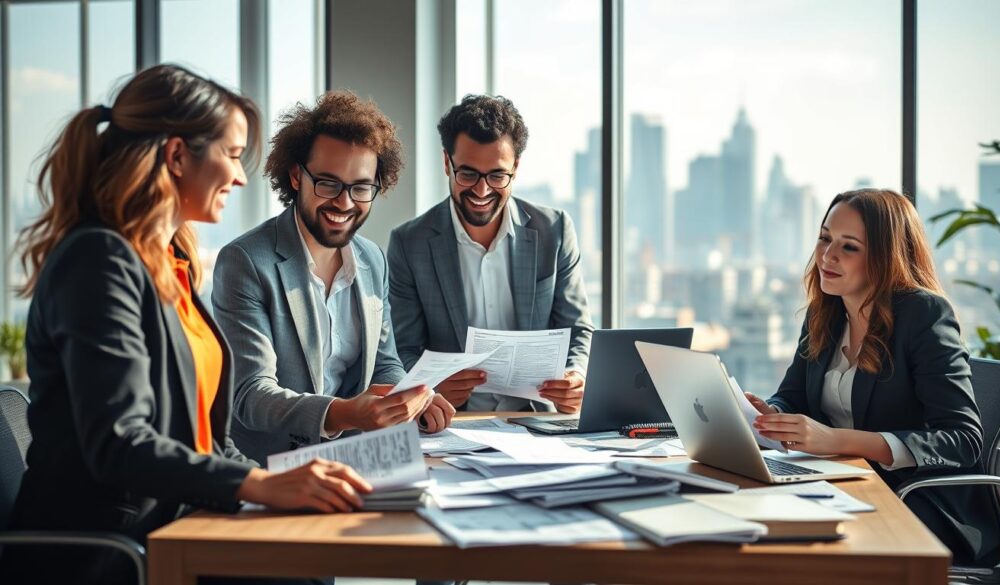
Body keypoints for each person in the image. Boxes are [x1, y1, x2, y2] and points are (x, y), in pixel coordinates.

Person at [0, 65, 372, 585]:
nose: (242, 177)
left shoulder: (169, 259)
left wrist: (284, 484)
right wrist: (259, 487)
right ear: (177, 156)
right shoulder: (98, 260)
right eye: (234, 155)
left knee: (313, 555)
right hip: (112, 550)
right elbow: (121, 442)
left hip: (179, 523)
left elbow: (204, 439)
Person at [746, 188, 999, 564]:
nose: (827, 256)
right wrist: (771, 414)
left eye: (849, 247)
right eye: (825, 238)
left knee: (794, 551)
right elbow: (793, 395)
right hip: (843, 484)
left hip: (918, 501)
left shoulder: (924, 315)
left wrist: (836, 439)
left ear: (884, 256)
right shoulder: (824, 313)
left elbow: (962, 439)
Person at [213, 91, 454, 466]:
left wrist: (411, 395)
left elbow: (384, 363)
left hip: (358, 462)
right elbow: (250, 395)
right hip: (270, 473)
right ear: (296, 176)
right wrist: (345, 413)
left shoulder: (373, 259)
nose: (344, 203)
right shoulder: (245, 261)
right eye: (328, 184)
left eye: (360, 188)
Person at [388, 95, 594, 414]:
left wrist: (576, 375)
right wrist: (431, 387)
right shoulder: (409, 243)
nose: (482, 191)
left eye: (497, 176)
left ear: (516, 168)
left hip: (538, 420)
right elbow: (402, 348)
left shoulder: (555, 230)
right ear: (447, 162)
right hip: (455, 422)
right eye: (467, 174)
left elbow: (578, 329)